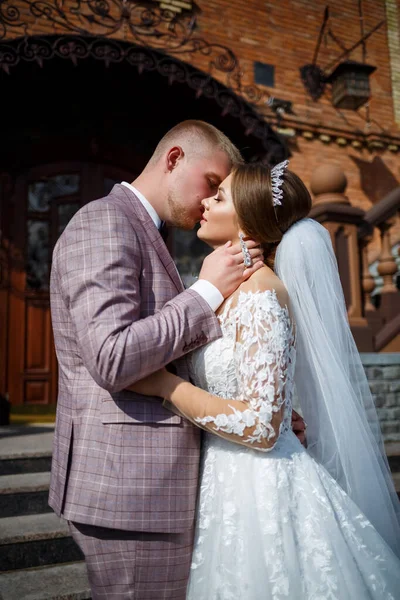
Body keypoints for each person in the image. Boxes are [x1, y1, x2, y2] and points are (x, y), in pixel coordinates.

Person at [49, 120, 306, 600]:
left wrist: (255, 404)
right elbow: (113, 356)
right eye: (211, 183)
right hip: (130, 490)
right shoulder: (104, 221)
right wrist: (205, 292)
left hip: (171, 489)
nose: (209, 201)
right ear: (173, 160)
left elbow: (167, 351)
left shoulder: (149, 231)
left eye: (221, 194)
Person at [131, 161, 400, 599]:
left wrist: (166, 387)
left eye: (219, 198)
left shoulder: (260, 294)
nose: (205, 201)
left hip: (261, 486)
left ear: (247, 221)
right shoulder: (226, 291)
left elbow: (261, 425)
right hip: (225, 479)